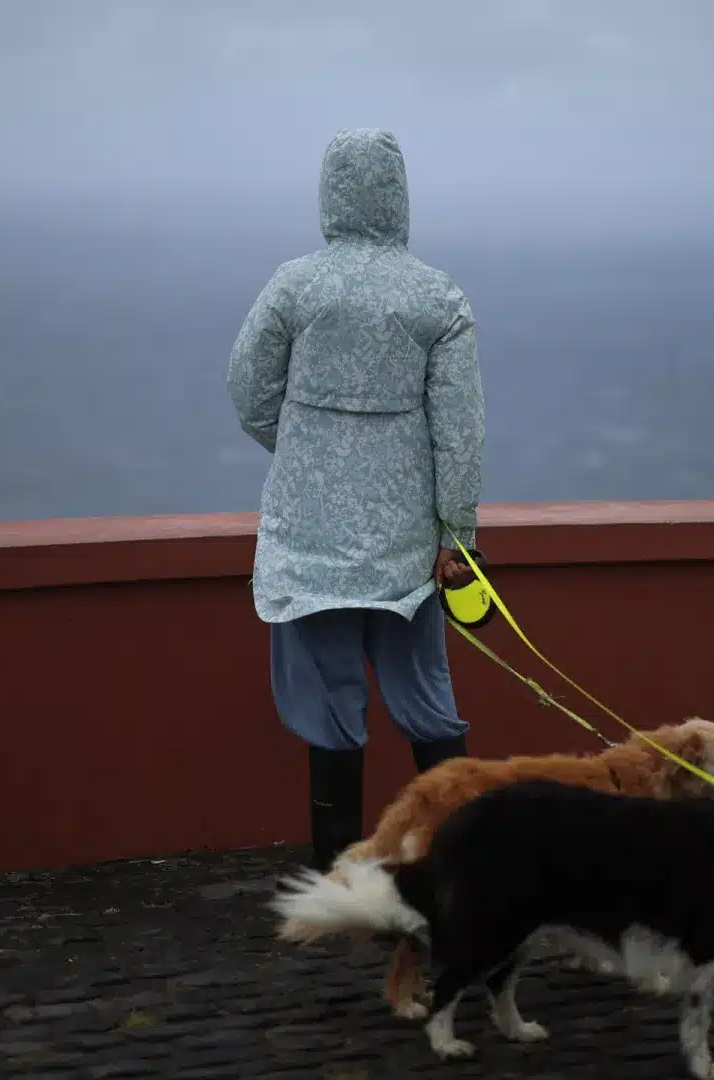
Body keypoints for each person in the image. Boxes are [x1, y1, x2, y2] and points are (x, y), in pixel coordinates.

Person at [227, 128, 485, 872]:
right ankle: (463, 864)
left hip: (308, 538)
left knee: (331, 709)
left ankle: (337, 879)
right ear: (400, 194)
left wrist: (309, 455)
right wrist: (456, 532)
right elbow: (458, 433)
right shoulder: (438, 297)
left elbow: (248, 394)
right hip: (408, 546)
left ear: (329, 194)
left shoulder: (294, 285)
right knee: (428, 698)